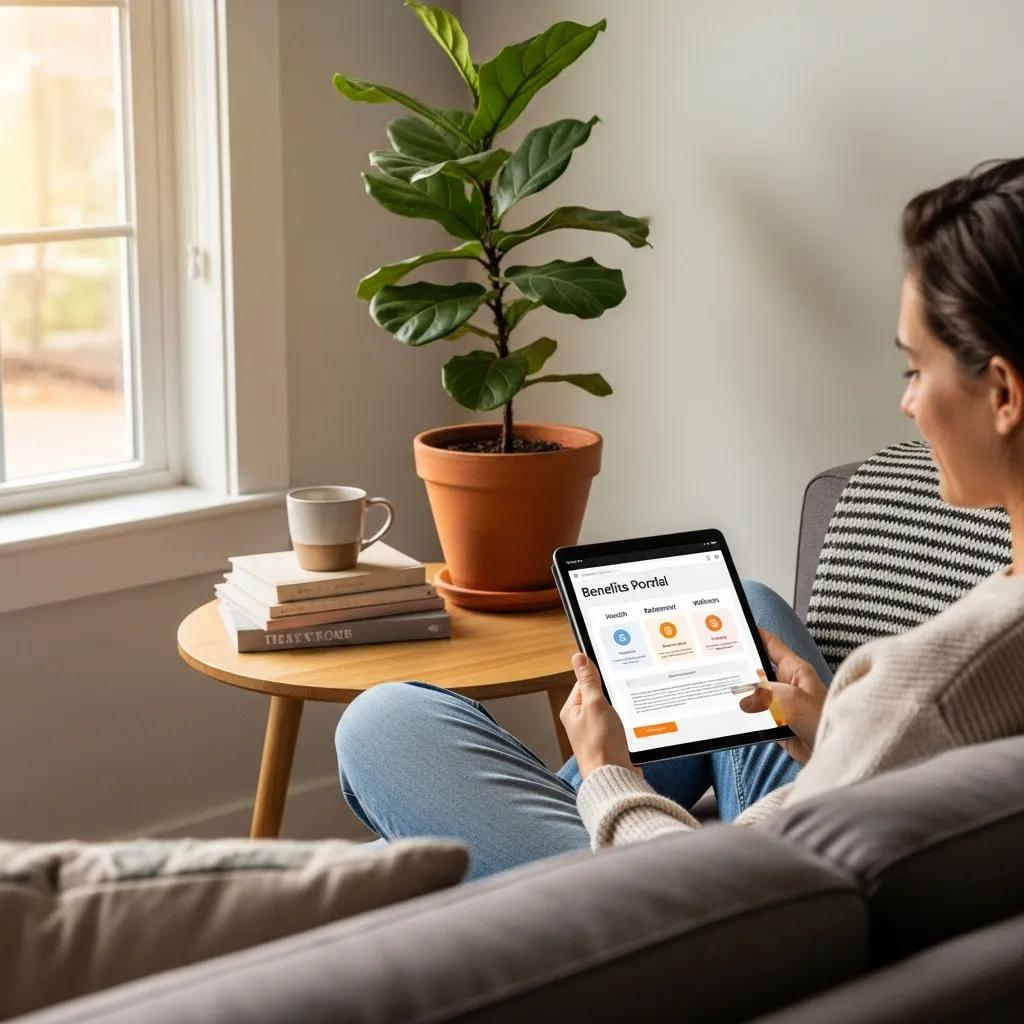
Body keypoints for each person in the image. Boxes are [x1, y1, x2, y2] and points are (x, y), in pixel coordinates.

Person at [336, 158, 1024, 880]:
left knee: (383, 723)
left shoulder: (929, 692)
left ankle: (516, 876)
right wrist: (832, 735)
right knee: (745, 612)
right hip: (803, 835)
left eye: (915, 370)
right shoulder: (935, 694)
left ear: (1003, 392)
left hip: (670, 914)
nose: (907, 405)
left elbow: (719, 902)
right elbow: (825, 810)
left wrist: (608, 775)